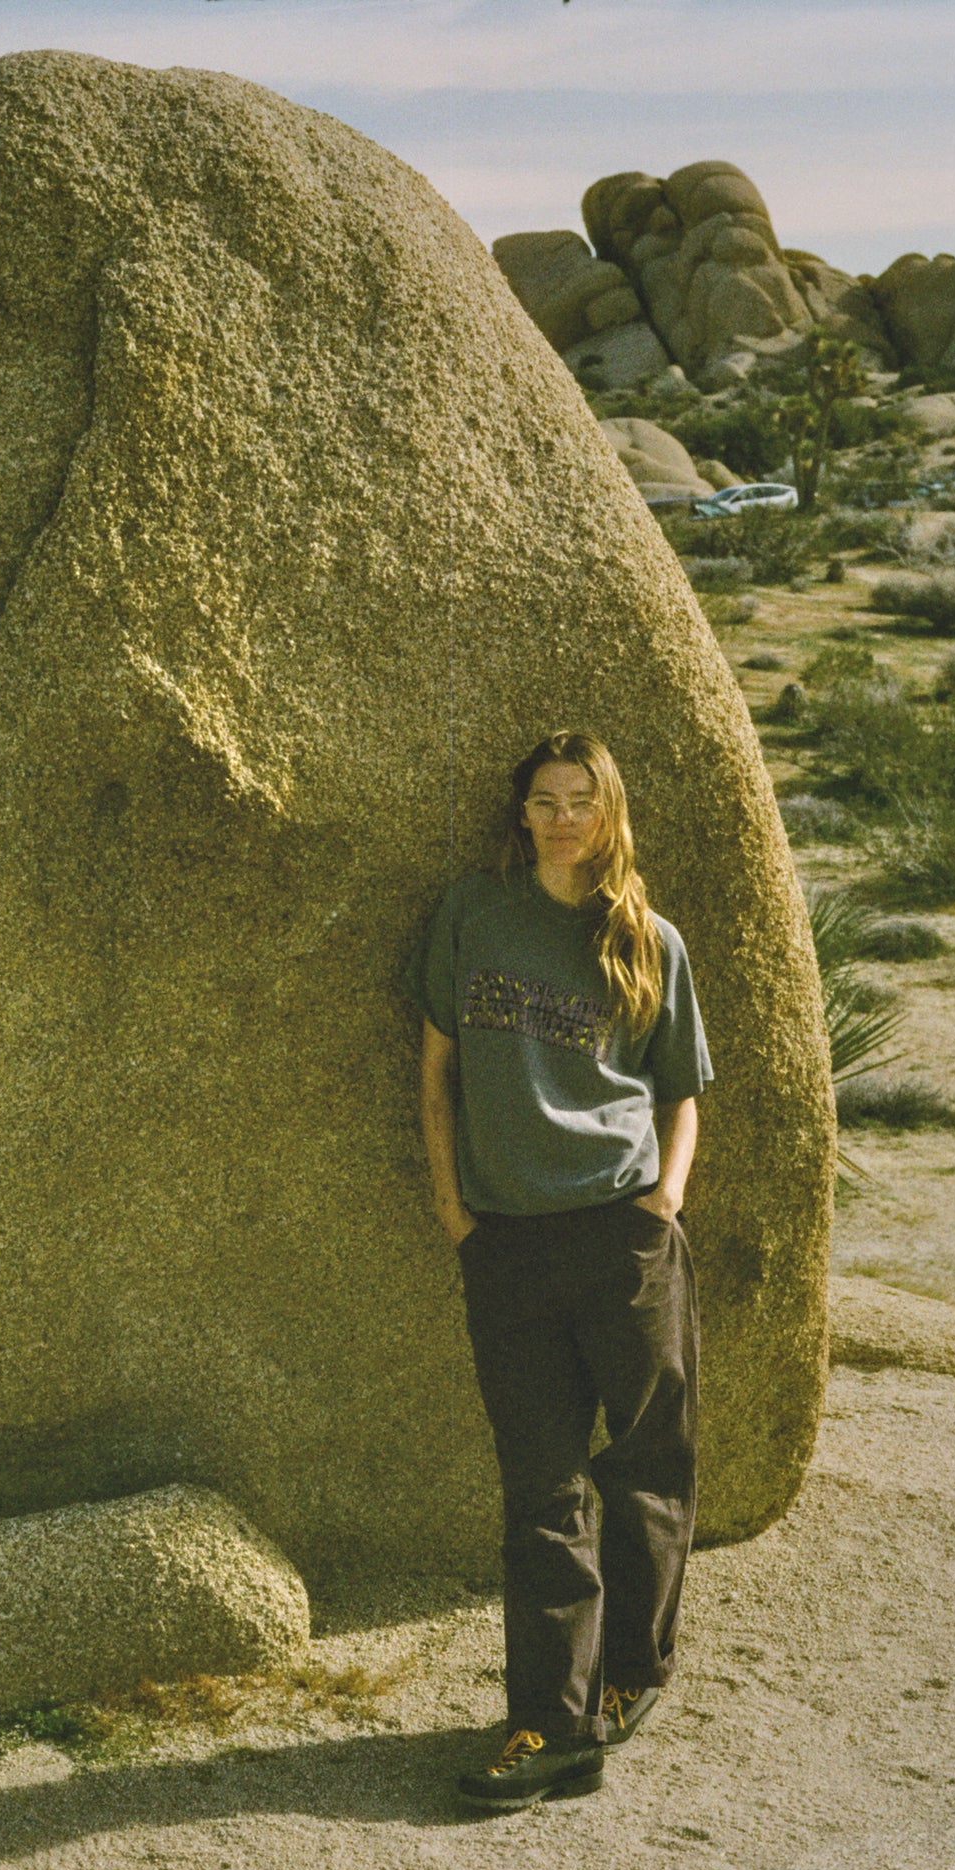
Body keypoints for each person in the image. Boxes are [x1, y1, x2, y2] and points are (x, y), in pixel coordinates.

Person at [402, 731, 712, 1813]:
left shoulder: (646, 938)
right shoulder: (471, 914)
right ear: (520, 812)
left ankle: (631, 1674)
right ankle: (547, 1720)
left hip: (619, 1237)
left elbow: (680, 1090)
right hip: (507, 1242)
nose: (563, 817)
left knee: (642, 1465)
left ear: (608, 809)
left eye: (582, 799)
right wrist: (453, 1208)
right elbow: (435, 1070)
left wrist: (663, 1199)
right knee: (539, 1487)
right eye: (545, 799)